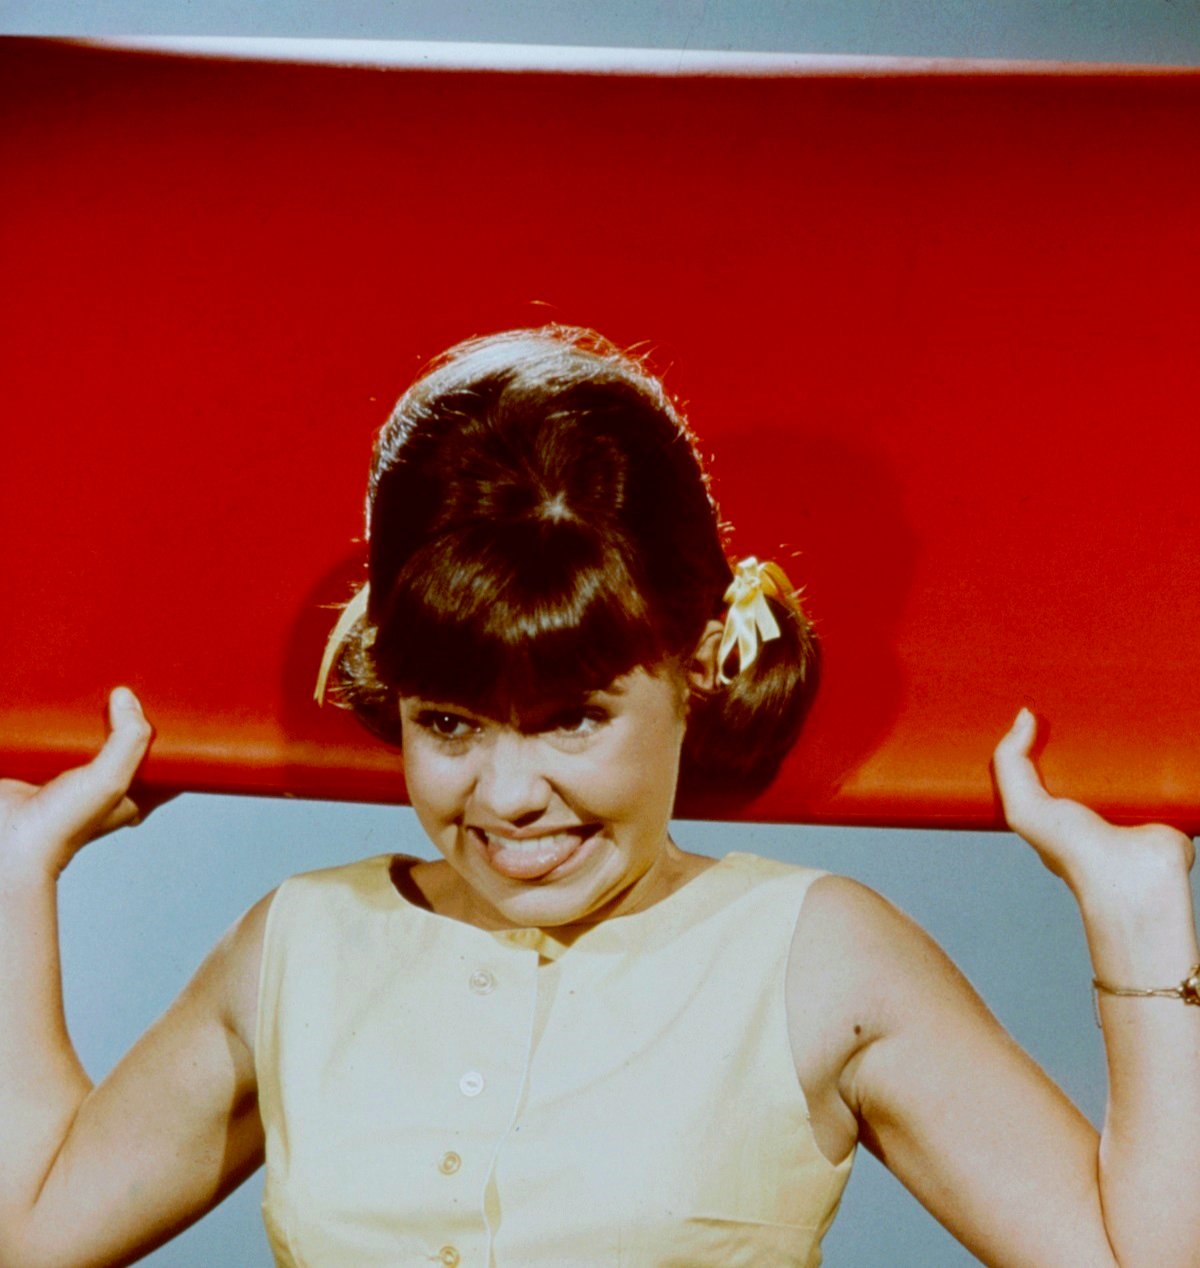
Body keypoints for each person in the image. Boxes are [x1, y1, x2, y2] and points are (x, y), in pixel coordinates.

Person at [1, 326, 1197, 1267]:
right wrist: (12, 877)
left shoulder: (822, 957)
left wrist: (1138, 909)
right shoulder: (303, 942)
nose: (510, 795)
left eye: (574, 715)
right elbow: (37, 1224)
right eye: (451, 723)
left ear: (696, 667)